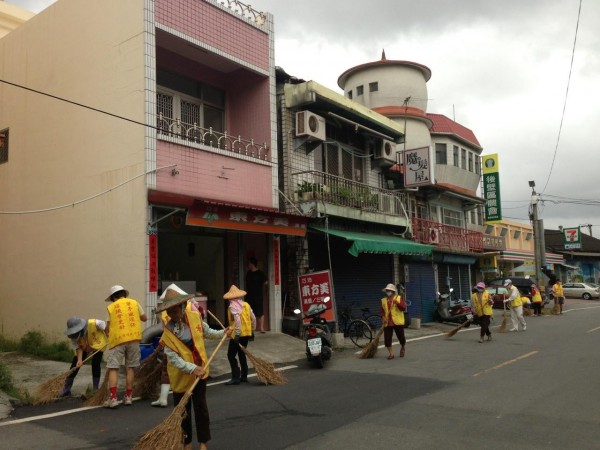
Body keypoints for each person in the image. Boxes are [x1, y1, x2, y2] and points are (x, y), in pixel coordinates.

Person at [158, 288, 231, 450]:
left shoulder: (194, 317)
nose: (173, 314)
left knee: (201, 409)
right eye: (169, 311)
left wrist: (223, 333)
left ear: (183, 306)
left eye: (175, 310)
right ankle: (187, 442)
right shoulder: (167, 333)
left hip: (200, 374)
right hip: (180, 377)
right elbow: (174, 360)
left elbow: (208, 332)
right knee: (183, 413)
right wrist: (192, 369)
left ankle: (203, 442)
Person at [103, 284, 147, 408]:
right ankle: (128, 397)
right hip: (134, 338)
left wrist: (107, 336)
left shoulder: (111, 307)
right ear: (124, 294)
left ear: (113, 297)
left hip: (117, 340)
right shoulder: (134, 303)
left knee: (113, 368)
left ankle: (113, 398)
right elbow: (144, 318)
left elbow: (107, 327)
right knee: (130, 368)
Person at [61, 316, 107, 396]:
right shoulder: (73, 336)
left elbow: (106, 328)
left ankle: (95, 388)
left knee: (95, 363)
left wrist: (108, 335)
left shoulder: (95, 323)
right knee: (75, 365)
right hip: (85, 346)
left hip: (98, 344)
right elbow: (78, 348)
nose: (74, 335)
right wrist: (79, 360)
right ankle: (66, 389)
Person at [224, 285, 256, 385]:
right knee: (242, 353)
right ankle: (244, 376)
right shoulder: (246, 304)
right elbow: (253, 318)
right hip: (246, 333)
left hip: (237, 334)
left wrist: (237, 334)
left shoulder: (233, 306)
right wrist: (252, 330)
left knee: (231, 355)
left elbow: (237, 321)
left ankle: (235, 377)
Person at [380, 283, 407, 359]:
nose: (388, 292)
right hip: (388, 322)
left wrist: (397, 303)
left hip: (397, 321)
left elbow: (403, 308)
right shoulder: (383, 300)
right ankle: (391, 354)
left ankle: (402, 347)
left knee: (401, 337)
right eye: (387, 290)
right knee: (387, 338)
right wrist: (383, 317)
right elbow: (382, 311)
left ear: (393, 291)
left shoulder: (398, 298)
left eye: (389, 290)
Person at [245, 258, 268, 333]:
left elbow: (266, 282)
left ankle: (261, 328)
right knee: (249, 312)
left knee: (259, 312)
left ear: (252, 264)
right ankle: (251, 328)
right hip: (249, 295)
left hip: (258, 295)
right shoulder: (248, 273)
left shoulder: (260, 273)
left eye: (249, 264)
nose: (248, 265)